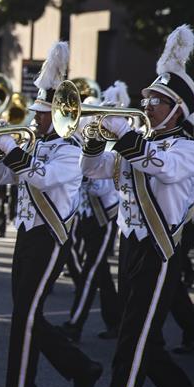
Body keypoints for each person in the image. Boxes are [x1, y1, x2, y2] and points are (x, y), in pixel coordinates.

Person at [71, 26, 194, 387]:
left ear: (177, 110)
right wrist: (95, 141)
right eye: (148, 99)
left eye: (158, 101)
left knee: (131, 345)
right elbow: (94, 171)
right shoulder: (143, 142)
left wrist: (126, 134)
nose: (148, 106)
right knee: (145, 346)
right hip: (131, 246)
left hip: (160, 250)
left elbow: (162, 168)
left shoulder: (184, 149)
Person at [0, 42, 102, 387]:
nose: (33, 120)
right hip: (27, 233)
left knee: (25, 315)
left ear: (58, 116)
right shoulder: (36, 143)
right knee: (26, 313)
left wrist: (13, 152)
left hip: (51, 238)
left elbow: (46, 179)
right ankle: (81, 369)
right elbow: (0, 177)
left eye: (40, 115)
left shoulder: (70, 149)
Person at [61, 82, 127, 343]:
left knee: (90, 271)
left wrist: (85, 176)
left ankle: (75, 324)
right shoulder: (87, 142)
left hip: (105, 217)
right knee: (99, 274)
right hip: (88, 216)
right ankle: (116, 321)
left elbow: (104, 186)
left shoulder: (116, 147)